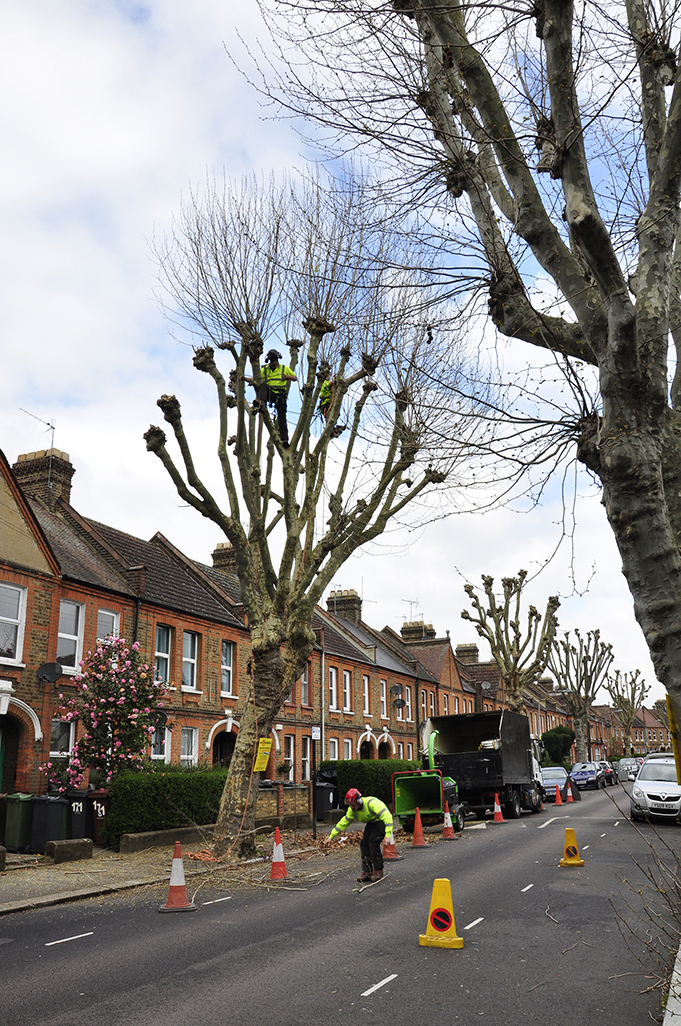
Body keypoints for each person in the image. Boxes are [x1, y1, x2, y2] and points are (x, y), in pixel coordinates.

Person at [324, 788, 393, 882]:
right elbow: (343, 823)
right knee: (364, 844)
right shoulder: (352, 810)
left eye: (353, 805)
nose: (351, 807)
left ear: (359, 801)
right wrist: (331, 837)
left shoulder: (372, 803)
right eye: (349, 805)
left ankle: (378, 870)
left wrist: (388, 835)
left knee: (373, 842)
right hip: (371, 823)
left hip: (380, 822)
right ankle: (367, 871)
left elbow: (387, 817)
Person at [245, 349, 297, 446]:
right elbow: (255, 378)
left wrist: (287, 377)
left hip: (280, 396)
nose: (274, 363)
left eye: (275, 361)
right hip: (270, 394)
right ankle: (261, 403)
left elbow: (295, 378)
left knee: (282, 416)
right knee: (264, 385)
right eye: (272, 361)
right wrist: (245, 379)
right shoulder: (265, 370)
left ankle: (284, 439)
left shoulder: (283, 368)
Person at [318, 372, 346, 438]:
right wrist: (331, 382)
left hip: (329, 402)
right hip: (325, 403)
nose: (329, 377)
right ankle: (330, 430)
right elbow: (327, 385)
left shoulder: (330, 385)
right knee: (329, 416)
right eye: (328, 375)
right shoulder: (324, 382)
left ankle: (333, 428)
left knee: (336, 414)